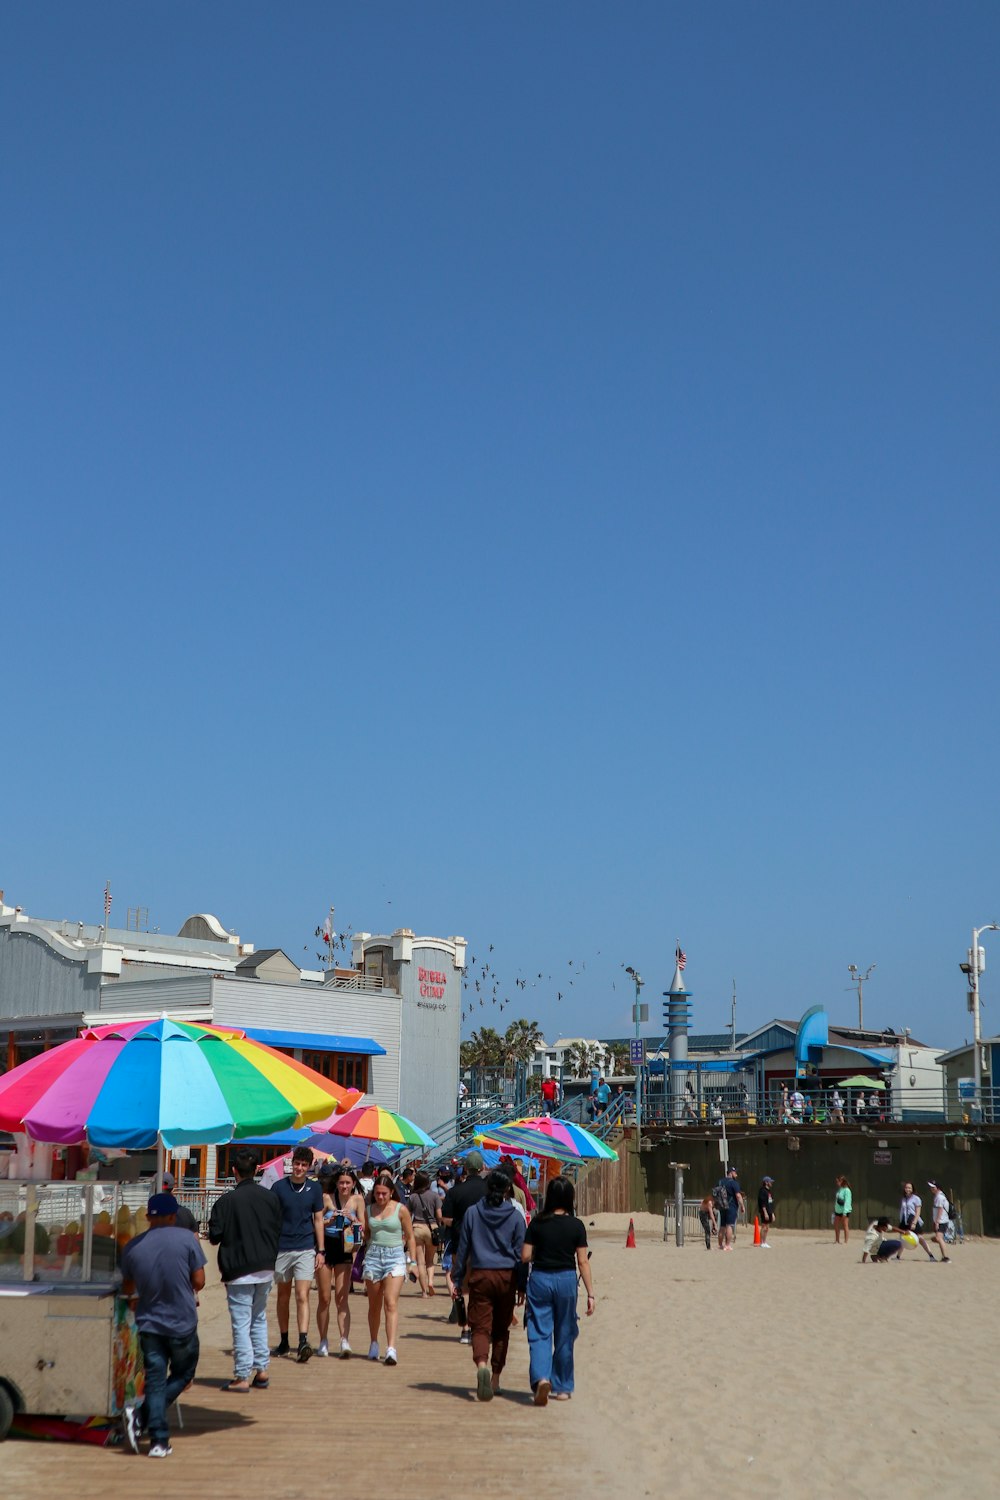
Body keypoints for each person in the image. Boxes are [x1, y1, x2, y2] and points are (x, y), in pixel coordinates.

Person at [120, 1193, 206, 1459]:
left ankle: (158, 1439)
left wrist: (136, 1296)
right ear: (173, 1217)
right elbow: (200, 1281)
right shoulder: (186, 1240)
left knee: (155, 1382)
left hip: (149, 1324)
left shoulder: (133, 1246)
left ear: (147, 1217)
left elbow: (128, 1287)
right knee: (183, 1374)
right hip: (182, 1323)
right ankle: (144, 1418)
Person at [208, 1147, 283, 1391]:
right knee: (258, 1318)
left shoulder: (226, 1201)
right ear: (257, 1169)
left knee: (241, 1322)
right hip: (265, 1266)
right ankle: (261, 1370)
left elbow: (214, 1236)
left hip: (238, 1267)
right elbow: (277, 1229)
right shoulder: (271, 1198)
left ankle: (242, 1375)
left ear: (233, 1171)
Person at [451, 1167, 526, 1401]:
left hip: (481, 1274)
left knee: (480, 1327)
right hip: (507, 1277)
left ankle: (481, 1365)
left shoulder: (473, 1213)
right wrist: (522, 1284)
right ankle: (495, 1379)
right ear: (508, 1190)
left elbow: (463, 1248)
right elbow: (522, 1254)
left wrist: (457, 1277)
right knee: (501, 1330)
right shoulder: (515, 1216)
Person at [521, 1175, 594, 1404]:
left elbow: (524, 1255)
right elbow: (583, 1261)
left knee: (540, 1332)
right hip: (566, 1279)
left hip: (541, 1278)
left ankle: (542, 1378)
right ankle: (562, 1387)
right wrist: (591, 1293)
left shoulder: (537, 1223)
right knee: (565, 1333)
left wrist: (540, 1251)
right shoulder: (576, 1225)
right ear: (570, 1198)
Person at [270, 1144, 325, 1362]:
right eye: (296, 1164)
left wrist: (320, 1250)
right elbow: (272, 1219)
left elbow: (318, 1220)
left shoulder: (315, 1189)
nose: (299, 1168)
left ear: (309, 1167)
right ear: (291, 1164)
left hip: (305, 1247)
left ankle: (303, 1340)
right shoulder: (279, 1187)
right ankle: (284, 1340)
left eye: (303, 1165)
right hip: (282, 1247)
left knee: (302, 1295)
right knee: (283, 1295)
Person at [364, 1171, 417, 1364]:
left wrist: (411, 1262)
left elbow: (410, 1236)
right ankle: (373, 1342)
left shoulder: (400, 1209)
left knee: (390, 1302)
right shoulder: (369, 1210)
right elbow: (367, 1233)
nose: (380, 1197)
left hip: (395, 1256)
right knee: (374, 1305)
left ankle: (391, 1348)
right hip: (373, 1256)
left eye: (384, 1194)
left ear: (391, 1192)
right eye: (377, 1193)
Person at [318, 1165, 367, 1356]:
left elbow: (364, 1224)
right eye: (341, 1183)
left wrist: (353, 1219)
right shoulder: (326, 1198)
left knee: (341, 1297)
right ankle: (323, 1340)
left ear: (353, 1183)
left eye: (347, 1183)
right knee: (324, 1297)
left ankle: (344, 1340)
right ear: (336, 1183)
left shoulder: (358, 1200)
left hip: (345, 1248)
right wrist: (329, 1221)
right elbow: (316, 1222)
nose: (344, 1186)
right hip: (327, 1246)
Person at [442, 1149, 489, 1345]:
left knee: (462, 1287)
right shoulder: (489, 1190)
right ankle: (480, 1327)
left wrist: (460, 1224)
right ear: (482, 1168)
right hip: (486, 1245)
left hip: (460, 1243)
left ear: (465, 1169)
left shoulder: (454, 1191)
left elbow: (445, 1219)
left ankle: (465, 1329)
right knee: (482, 1289)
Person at [407, 1170, 442, 1297]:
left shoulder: (412, 1197)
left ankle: (423, 1292)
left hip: (416, 1228)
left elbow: (408, 1214)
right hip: (431, 1228)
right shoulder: (434, 1196)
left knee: (420, 1262)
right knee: (430, 1261)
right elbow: (439, 1215)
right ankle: (431, 1282)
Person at [917, 1181, 952, 1264]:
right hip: (943, 1220)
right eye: (931, 1187)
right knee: (938, 1238)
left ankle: (945, 1257)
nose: (931, 1189)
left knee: (939, 1238)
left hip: (941, 1221)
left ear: (938, 1188)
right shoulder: (940, 1196)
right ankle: (944, 1255)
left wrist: (937, 1221)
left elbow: (940, 1210)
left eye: (933, 1187)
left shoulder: (939, 1197)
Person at [714, 1166, 744, 1250]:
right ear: (731, 1173)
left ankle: (720, 1245)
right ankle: (727, 1245)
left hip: (722, 1206)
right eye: (735, 1173)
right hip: (731, 1206)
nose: (736, 1175)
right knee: (729, 1226)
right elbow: (738, 1196)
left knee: (722, 1226)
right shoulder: (734, 1183)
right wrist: (742, 1206)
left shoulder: (719, 1181)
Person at [757, 1176, 775, 1247]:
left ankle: (765, 1241)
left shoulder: (769, 1191)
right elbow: (762, 1203)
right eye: (770, 1182)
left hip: (769, 1211)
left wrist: (772, 1213)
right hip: (765, 1211)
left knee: (767, 1227)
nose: (771, 1183)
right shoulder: (762, 1191)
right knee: (764, 1226)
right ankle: (762, 1242)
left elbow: (770, 1203)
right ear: (766, 1182)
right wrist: (765, 1212)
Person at [833, 1176, 853, 1243]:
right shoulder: (840, 1189)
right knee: (836, 1224)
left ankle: (845, 1241)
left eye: (837, 1181)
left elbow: (847, 1201)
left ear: (841, 1181)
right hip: (838, 1210)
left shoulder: (847, 1190)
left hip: (845, 1210)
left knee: (845, 1225)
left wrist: (845, 1212)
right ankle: (837, 1240)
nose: (837, 1183)